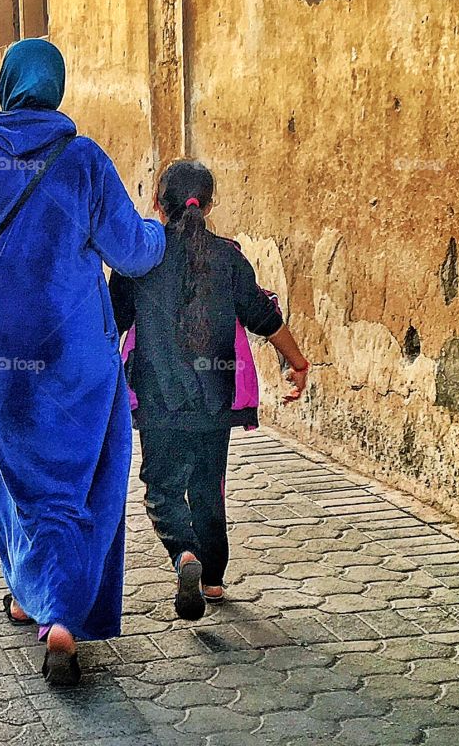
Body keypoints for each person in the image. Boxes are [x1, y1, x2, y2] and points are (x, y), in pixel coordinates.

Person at [0, 39, 164, 686]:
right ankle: (63, 618)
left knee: (19, 478)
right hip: (74, 358)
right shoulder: (84, 162)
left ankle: (30, 596)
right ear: (56, 88)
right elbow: (133, 254)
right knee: (76, 485)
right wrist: (159, 229)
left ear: (7, 87)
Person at [108, 159, 309, 621]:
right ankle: (214, 580)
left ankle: (185, 556)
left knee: (160, 487)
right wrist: (296, 363)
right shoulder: (229, 256)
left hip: (157, 397)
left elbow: (111, 326)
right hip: (215, 399)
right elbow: (264, 316)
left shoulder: (138, 263)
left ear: (158, 205)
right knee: (208, 485)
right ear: (210, 204)